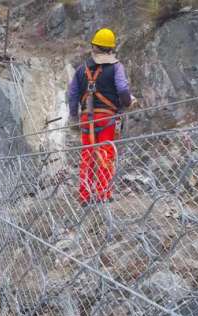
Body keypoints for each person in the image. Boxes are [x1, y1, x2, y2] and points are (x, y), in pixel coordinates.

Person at [67, 28, 134, 204]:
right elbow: (122, 89)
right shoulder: (116, 67)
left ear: (94, 46)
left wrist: (73, 116)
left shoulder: (82, 69)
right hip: (107, 118)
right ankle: (103, 194)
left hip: (86, 118)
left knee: (87, 154)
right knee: (106, 153)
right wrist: (128, 103)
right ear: (111, 49)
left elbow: (72, 95)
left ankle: (84, 195)